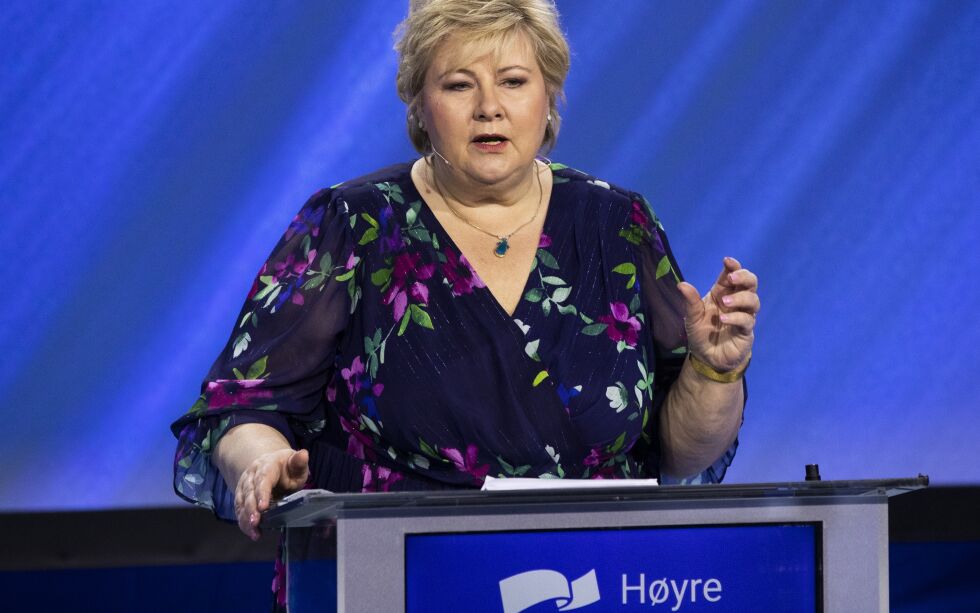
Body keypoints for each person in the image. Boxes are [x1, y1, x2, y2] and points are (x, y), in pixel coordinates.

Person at [172, 0, 758, 565]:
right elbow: (243, 404)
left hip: (596, 573)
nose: (488, 108)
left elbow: (681, 454)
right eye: (458, 84)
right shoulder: (353, 224)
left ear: (549, 97)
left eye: (513, 81)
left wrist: (715, 369)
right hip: (395, 575)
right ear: (419, 105)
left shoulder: (616, 225)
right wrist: (263, 460)